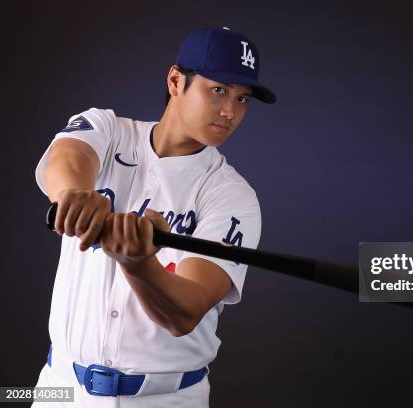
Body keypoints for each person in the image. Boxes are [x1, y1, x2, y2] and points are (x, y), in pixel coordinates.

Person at [31, 26, 276, 407]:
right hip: (59, 388)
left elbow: (186, 312)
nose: (231, 111)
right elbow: (69, 157)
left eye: (243, 98)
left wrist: (138, 264)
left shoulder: (232, 196)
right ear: (176, 81)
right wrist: (75, 196)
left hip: (164, 398)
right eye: (218, 90)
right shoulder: (108, 129)